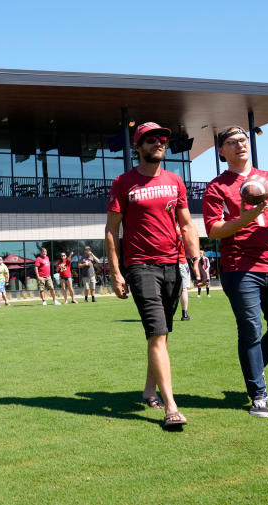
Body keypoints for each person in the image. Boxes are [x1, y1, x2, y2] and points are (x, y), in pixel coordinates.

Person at [106, 122, 200, 429]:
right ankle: (171, 406)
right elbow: (112, 230)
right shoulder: (124, 182)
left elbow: (186, 225)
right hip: (141, 266)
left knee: (160, 335)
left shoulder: (175, 181)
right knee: (157, 333)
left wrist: (195, 259)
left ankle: (149, 390)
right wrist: (117, 272)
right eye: (150, 139)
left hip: (172, 264)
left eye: (162, 138)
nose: (158, 142)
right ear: (138, 146)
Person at [203, 125, 268, 419]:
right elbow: (214, 230)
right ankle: (258, 395)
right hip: (239, 267)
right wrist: (245, 219)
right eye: (232, 142)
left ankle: (255, 367)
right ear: (222, 151)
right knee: (251, 329)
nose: (240, 145)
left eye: (243, 140)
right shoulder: (217, 187)